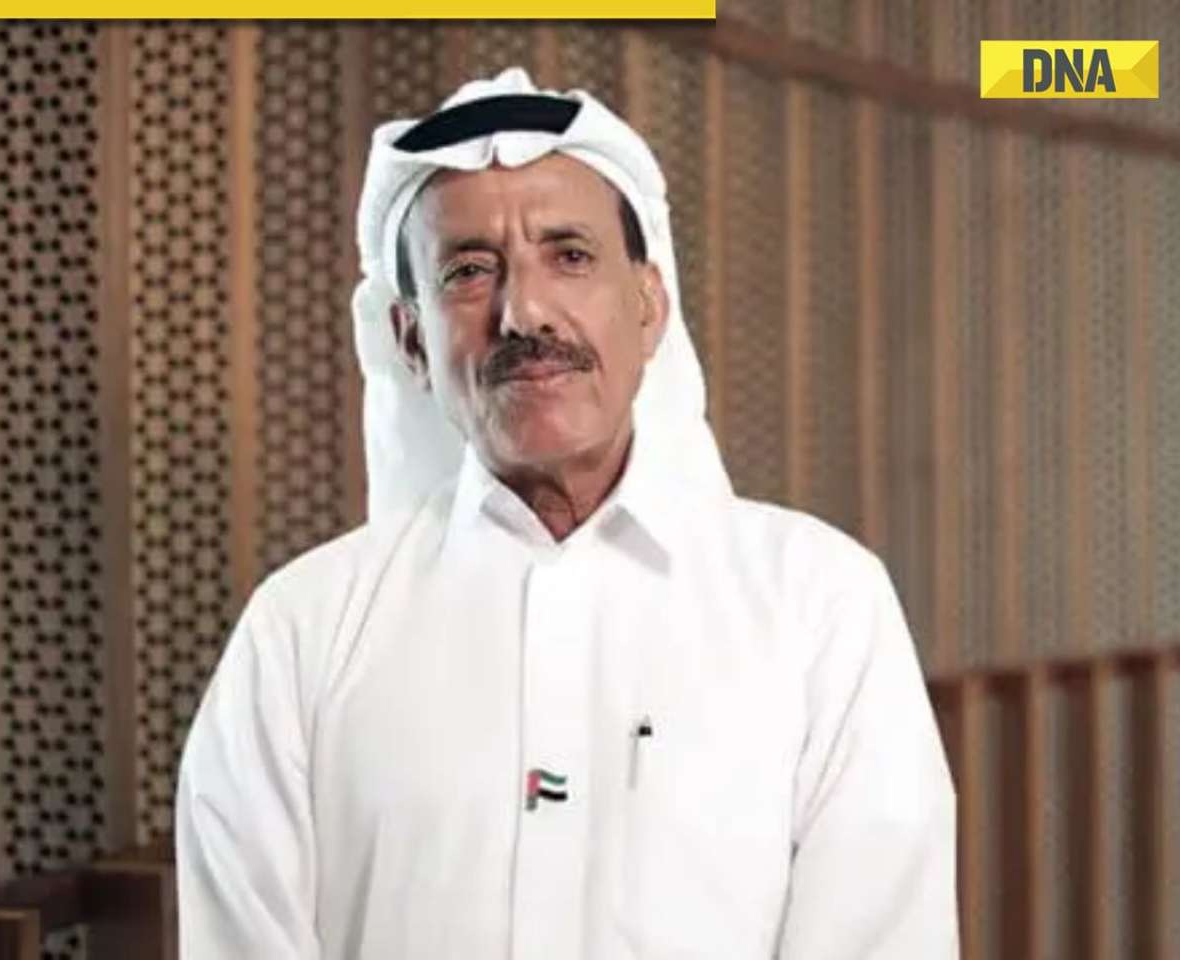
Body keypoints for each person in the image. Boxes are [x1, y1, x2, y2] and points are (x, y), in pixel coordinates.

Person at [175, 66, 959, 959]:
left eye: (570, 256)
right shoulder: (302, 632)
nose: (524, 313)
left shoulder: (819, 606)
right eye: (470, 272)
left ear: (648, 305)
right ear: (411, 340)